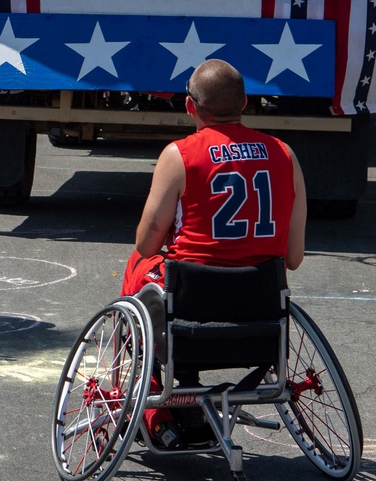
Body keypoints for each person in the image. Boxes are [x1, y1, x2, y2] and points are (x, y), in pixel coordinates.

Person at [121, 60, 307, 448]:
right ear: (245, 101)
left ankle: (149, 391)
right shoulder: (285, 155)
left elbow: (146, 244)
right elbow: (292, 258)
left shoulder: (180, 155)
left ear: (191, 107)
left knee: (138, 265)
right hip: (259, 315)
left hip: (193, 311)